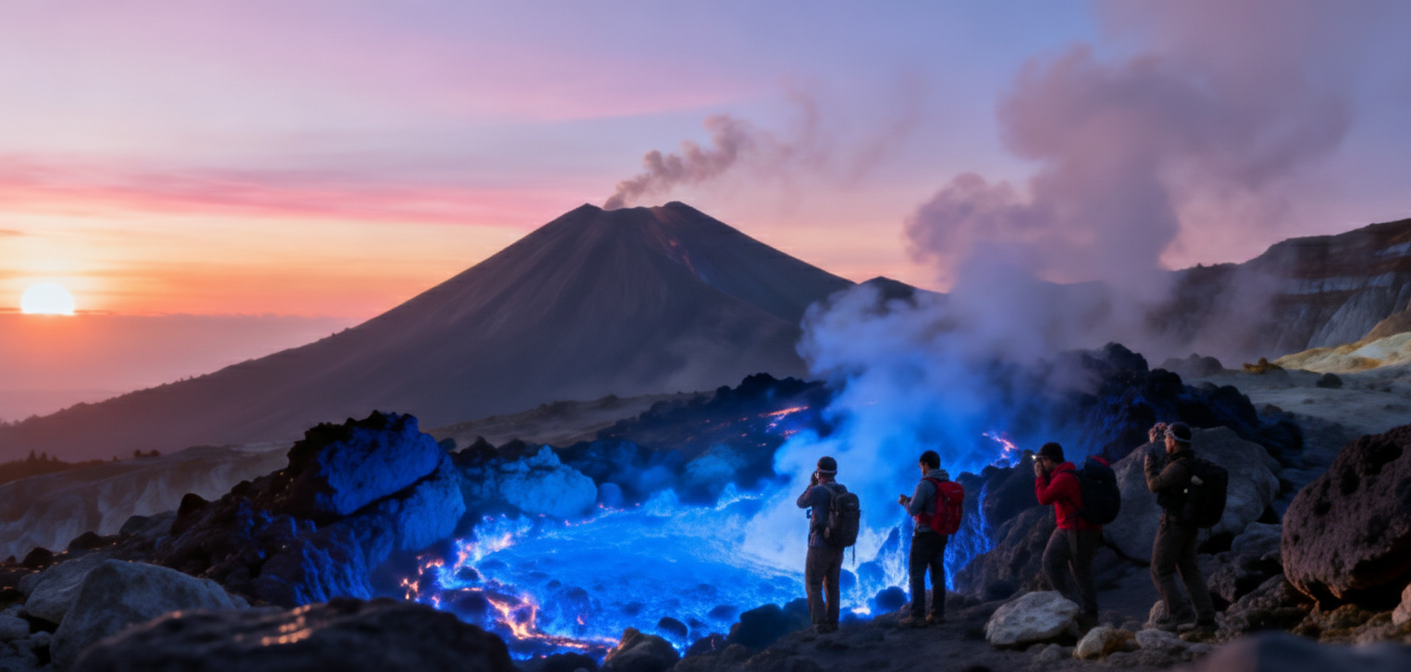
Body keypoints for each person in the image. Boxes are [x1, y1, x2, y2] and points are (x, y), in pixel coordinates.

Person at [1144, 422, 1216, 633]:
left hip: (1174, 524)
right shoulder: (1188, 461)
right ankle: (1206, 619)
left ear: (1174, 441)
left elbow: (1154, 484)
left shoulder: (1179, 467)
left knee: (1160, 570)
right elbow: (1168, 460)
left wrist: (1149, 456)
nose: (1165, 442)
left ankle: (1179, 614)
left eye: (1167, 439)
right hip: (1189, 524)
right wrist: (1158, 440)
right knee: (1189, 570)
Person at [1034, 442, 1100, 630]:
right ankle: (1084, 611)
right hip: (1077, 527)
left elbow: (1044, 498)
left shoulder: (1064, 477)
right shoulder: (1066, 473)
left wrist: (1039, 477)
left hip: (1075, 528)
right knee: (1079, 570)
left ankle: (1072, 607)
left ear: (1048, 460)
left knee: (1058, 563)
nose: (1040, 464)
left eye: (1042, 460)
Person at [897, 450, 950, 628]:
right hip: (941, 533)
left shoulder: (926, 483)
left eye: (921, 466)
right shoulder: (945, 481)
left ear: (926, 465)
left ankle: (917, 615)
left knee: (916, 574)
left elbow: (912, 510)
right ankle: (937, 614)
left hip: (924, 534)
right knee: (938, 573)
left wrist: (905, 502)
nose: (921, 470)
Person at [796, 456, 847, 633]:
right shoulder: (842, 489)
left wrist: (812, 484)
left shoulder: (817, 490)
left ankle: (820, 625)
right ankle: (833, 623)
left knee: (813, 584)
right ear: (835, 472)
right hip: (838, 545)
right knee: (833, 586)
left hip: (819, 545)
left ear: (819, 472)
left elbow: (801, 502)